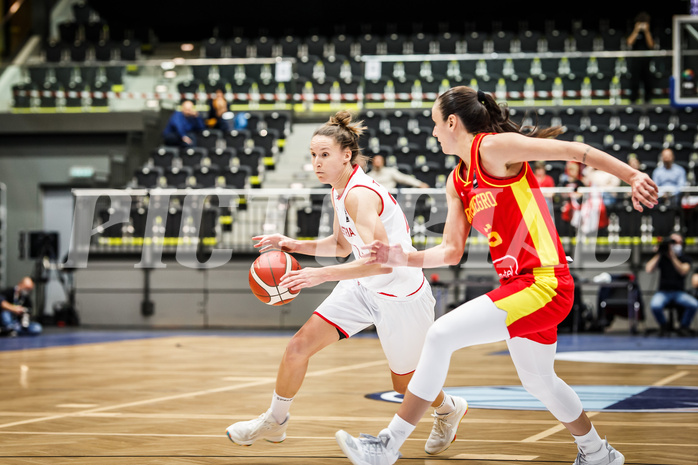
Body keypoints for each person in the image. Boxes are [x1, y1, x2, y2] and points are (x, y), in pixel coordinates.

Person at [336, 86, 658, 465]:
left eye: (436, 124)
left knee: (440, 335)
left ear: (452, 122)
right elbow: (451, 252)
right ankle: (598, 453)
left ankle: (387, 446)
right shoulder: (457, 181)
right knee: (539, 381)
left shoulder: (492, 148)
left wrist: (633, 175)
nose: (434, 132)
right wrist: (398, 256)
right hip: (520, 286)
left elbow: (574, 151)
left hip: (545, 282)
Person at [225, 111, 468, 455]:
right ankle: (275, 421)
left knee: (405, 384)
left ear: (347, 155)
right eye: (313, 155)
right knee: (298, 347)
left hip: (401, 294)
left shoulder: (360, 195)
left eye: (324, 155)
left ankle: (449, 409)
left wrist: (318, 274)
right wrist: (294, 244)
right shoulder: (338, 191)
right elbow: (341, 247)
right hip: (362, 287)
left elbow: (381, 264)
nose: (317, 163)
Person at [644, 233, 698, 337]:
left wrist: (672, 256)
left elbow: (683, 270)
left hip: (679, 292)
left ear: (682, 244)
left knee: (694, 304)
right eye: (671, 242)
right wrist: (660, 253)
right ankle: (664, 326)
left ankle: (684, 327)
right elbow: (648, 269)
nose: (673, 245)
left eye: (676, 242)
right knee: (655, 305)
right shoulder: (662, 258)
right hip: (663, 292)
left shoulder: (685, 258)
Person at [626, 11, 655, 104]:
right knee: (634, 81)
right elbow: (629, 42)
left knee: (648, 81)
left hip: (646, 59)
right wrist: (636, 30)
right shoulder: (633, 30)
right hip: (635, 59)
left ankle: (648, 100)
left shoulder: (650, 31)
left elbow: (651, 45)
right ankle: (633, 100)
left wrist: (646, 31)